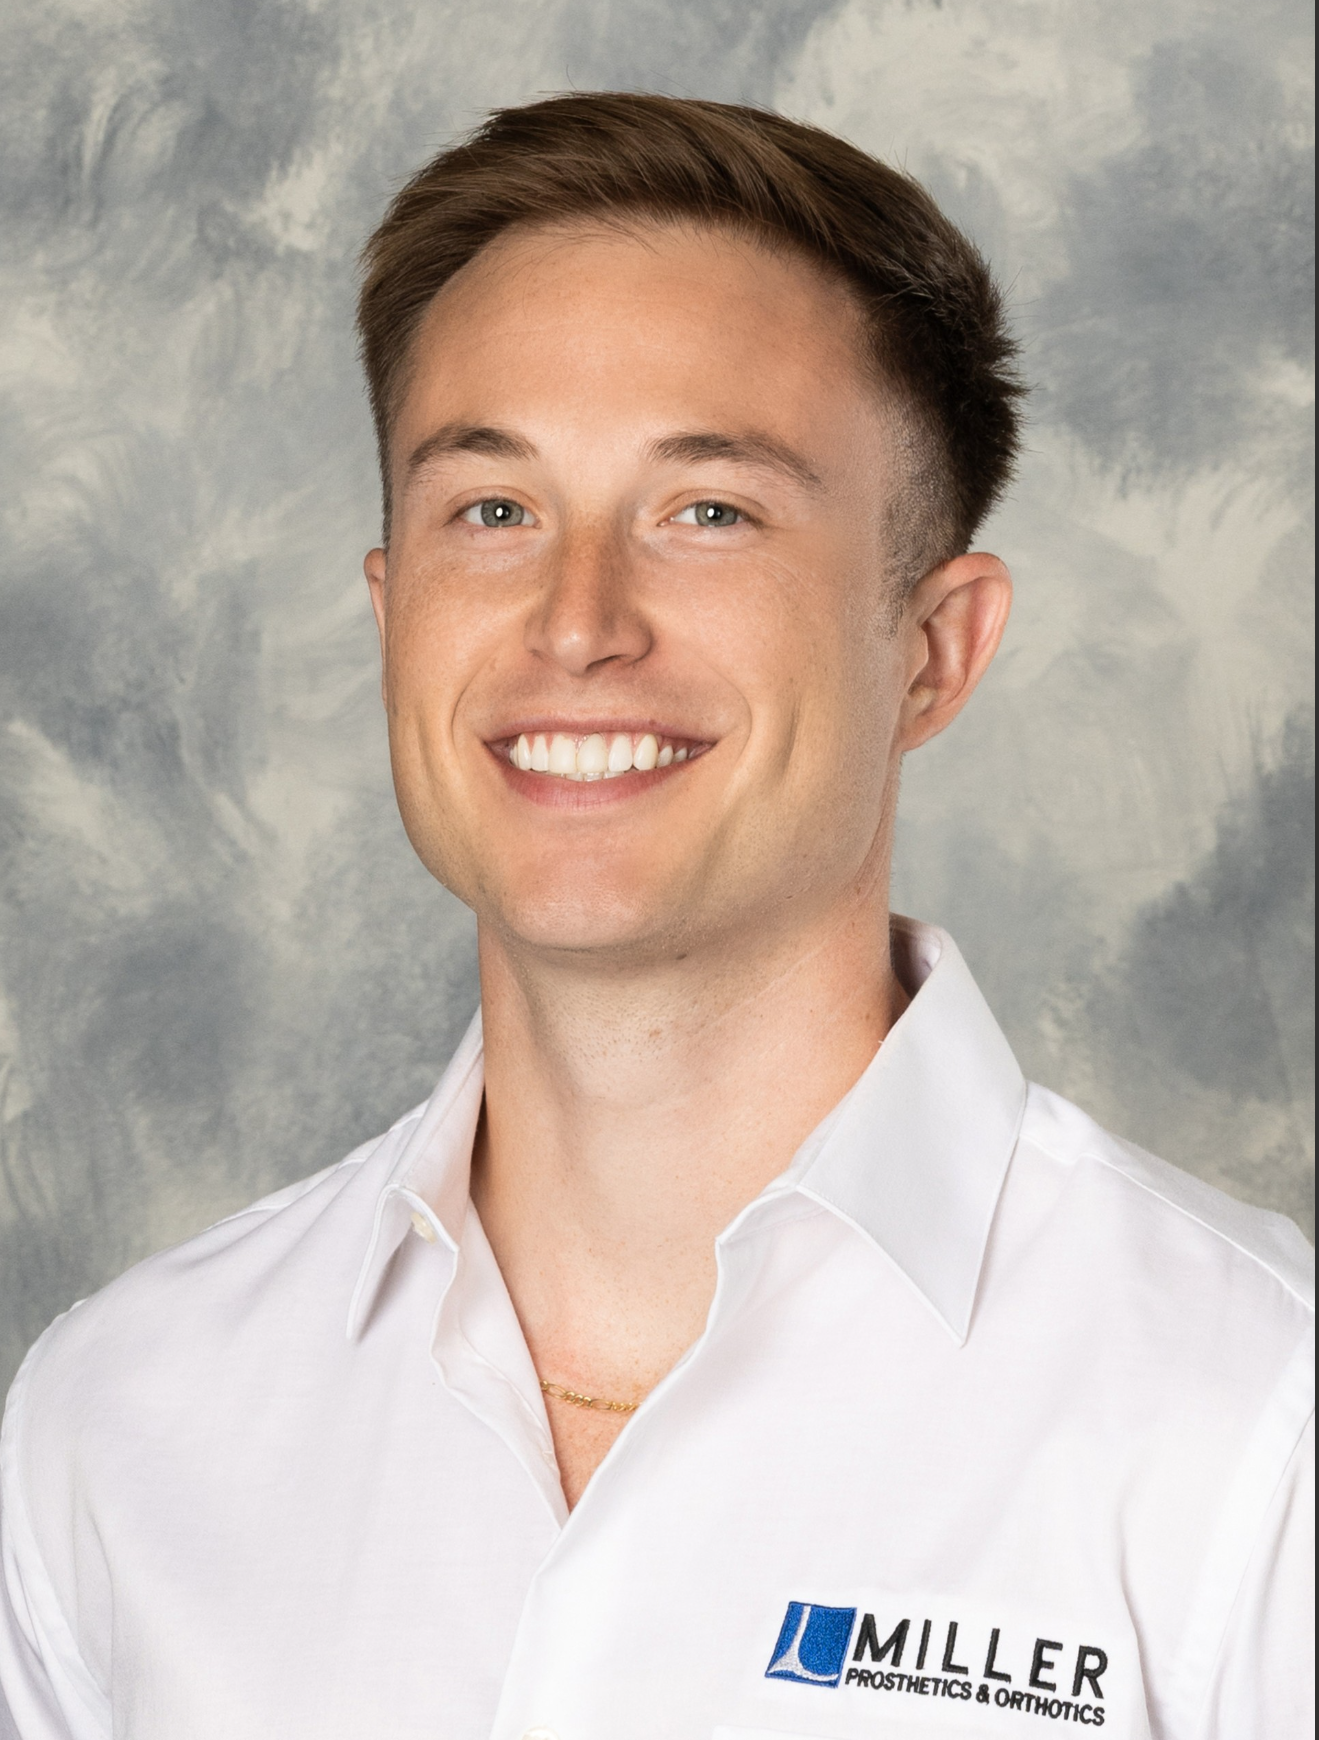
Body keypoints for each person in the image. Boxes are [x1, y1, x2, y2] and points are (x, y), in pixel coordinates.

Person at [0, 92, 1311, 1740]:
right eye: (492, 510)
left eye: (710, 511)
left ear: (933, 650)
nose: (577, 622)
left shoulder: (1260, 1429)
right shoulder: (120, 1420)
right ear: (391, 611)